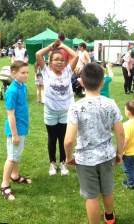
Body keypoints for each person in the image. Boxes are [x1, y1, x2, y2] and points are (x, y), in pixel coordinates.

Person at [63, 62, 126, 224]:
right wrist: (120, 152)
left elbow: (69, 140)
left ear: (81, 82)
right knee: (107, 190)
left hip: (85, 159)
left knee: (91, 196)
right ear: (102, 82)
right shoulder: (110, 103)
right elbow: (120, 132)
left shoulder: (76, 107)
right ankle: (110, 217)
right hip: (107, 156)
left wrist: (69, 157)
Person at [35, 40, 80, 176]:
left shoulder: (67, 71)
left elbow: (76, 56)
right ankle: (52, 164)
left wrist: (62, 46)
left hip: (66, 112)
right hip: (51, 112)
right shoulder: (46, 72)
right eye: (56, 60)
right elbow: (38, 54)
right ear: (50, 61)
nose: (59, 62)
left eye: (62, 60)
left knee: (63, 138)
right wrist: (51, 47)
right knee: (52, 138)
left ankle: (63, 163)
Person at [0, 60, 32, 201]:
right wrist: (15, 134)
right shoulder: (12, 91)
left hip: (22, 128)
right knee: (12, 157)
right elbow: (10, 114)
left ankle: (15, 176)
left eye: (27, 72)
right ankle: (4, 185)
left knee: (16, 155)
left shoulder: (22, 86)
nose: (26, 75)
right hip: (16, 130)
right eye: (23, 73)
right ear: (14, 73)